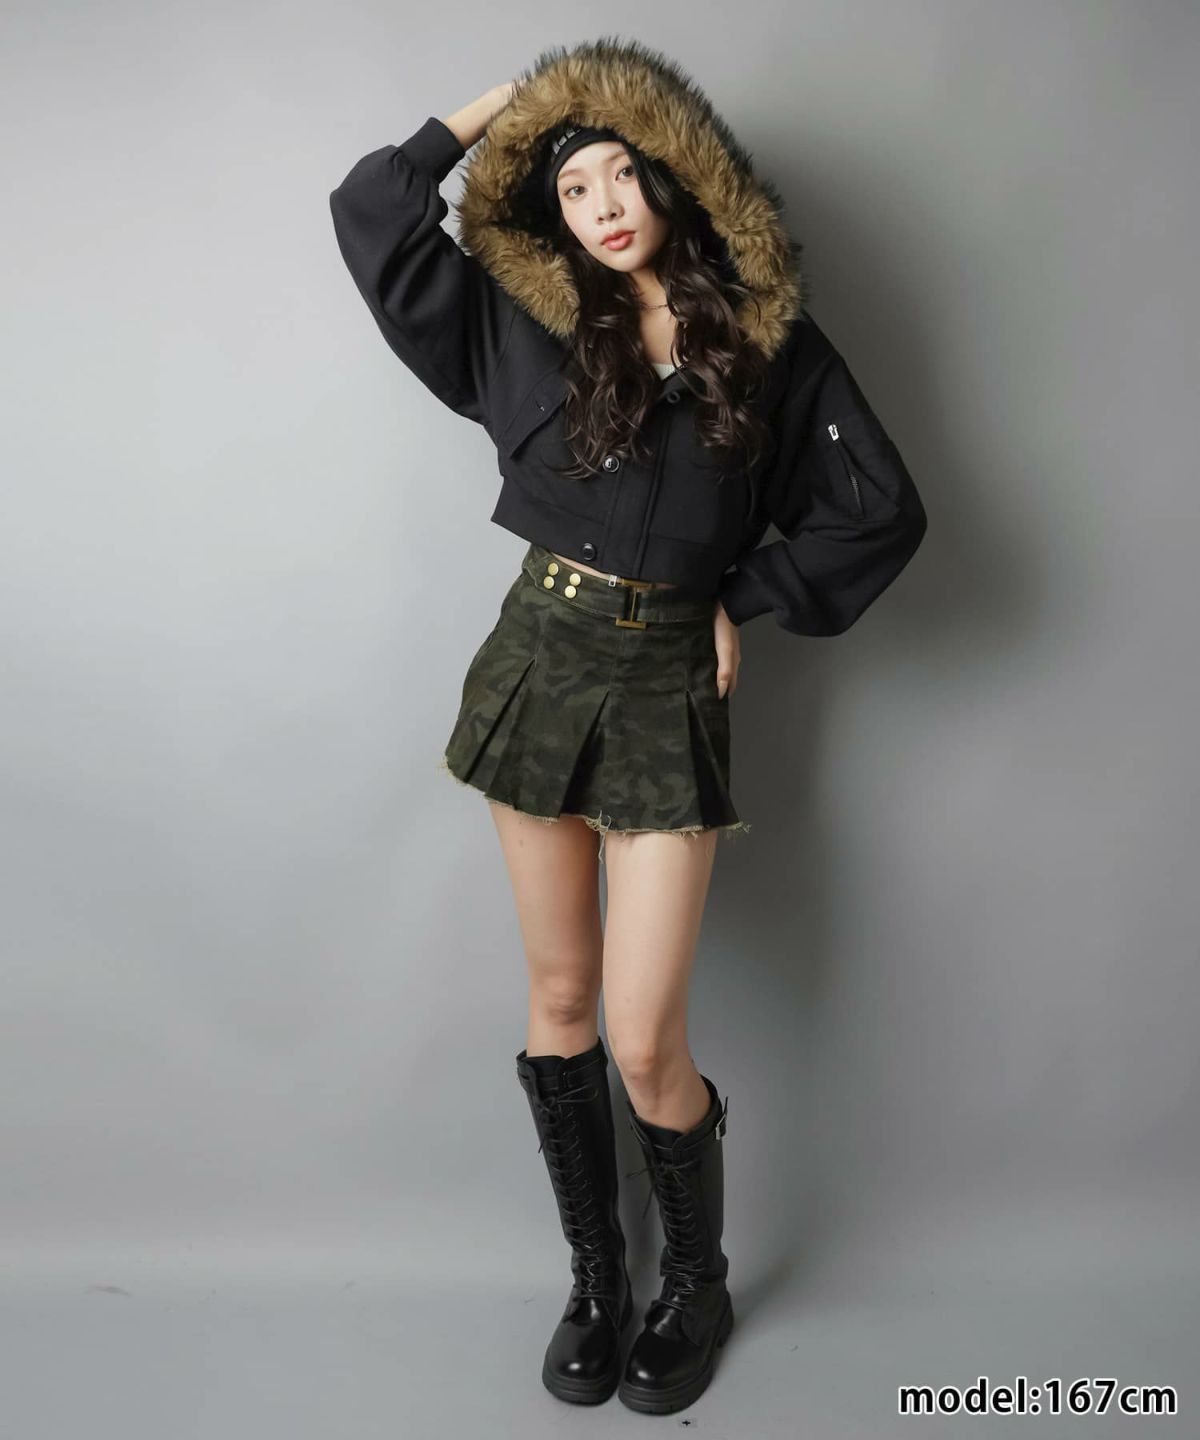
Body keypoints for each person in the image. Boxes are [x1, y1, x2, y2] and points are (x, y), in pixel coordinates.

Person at [329, 37, 927, 1416]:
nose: (601, 204)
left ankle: (694, 1283)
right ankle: (596, 1282)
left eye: (620, 171)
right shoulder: (523, 327)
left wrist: (742, 595)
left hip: (666, 679)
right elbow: (371, 209)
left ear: (672, 178)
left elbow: (881, 510)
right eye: (573, 184)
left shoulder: (768, 344)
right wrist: (522, 102)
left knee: (645, 1034)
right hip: (540, 657)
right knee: (558, 1004)